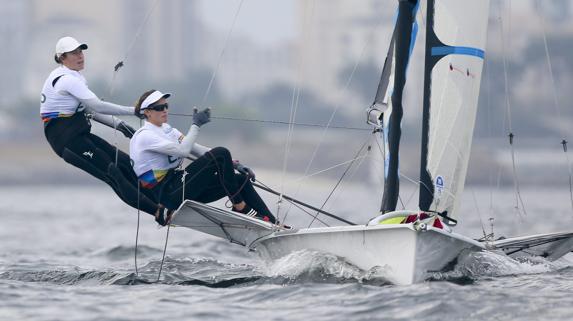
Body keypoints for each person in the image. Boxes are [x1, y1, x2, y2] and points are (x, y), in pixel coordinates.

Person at [40, 36, 162, 218]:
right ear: (62, 57)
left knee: (125, 162)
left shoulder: (74, 77)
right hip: (66, 143)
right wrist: (135, 111)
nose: (80, 56)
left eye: (81, 51)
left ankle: (162, 200)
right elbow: (98, 106)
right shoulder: (66, 79)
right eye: (74, 53)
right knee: (113, 173)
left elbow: (89, 110)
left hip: (78, 136)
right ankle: (157, 212)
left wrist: (121, 126)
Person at [130, 89, 278, 226]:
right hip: (169, 195)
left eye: (166, 106)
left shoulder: (169, 130)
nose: (165, 110)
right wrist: (196, 125)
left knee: (239, 180)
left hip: (181, 186)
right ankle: (241, 208)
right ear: (147, 112)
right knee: (221, 152)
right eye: (159, 108)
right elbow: (183, 151)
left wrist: (234, 164)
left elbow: (196, 149)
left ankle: (273, 223)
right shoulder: (145, 136)